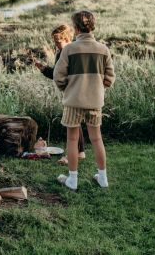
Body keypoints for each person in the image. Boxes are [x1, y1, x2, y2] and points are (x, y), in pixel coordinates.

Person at [54, 11, 115, 190]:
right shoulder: (103, 49)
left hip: (73, 102)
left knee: (72, 140)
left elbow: (58, 76)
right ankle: (102, 178)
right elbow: (110, 78)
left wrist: (68, 88)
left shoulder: (69, 49)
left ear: (76, 28)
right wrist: (97, 88)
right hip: (95, 102)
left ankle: (72, 180)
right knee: (97, 139)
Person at [34, 24, 86, 165]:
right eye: (54, 41)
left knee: (71, 122)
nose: (56, 44)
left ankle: (71, 156)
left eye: (58, 41)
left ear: (68, 38)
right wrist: (44, 69)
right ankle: (80, 152)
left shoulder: (75, 51)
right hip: (68, 91)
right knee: (74, 123)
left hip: (77, 91)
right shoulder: (59, 53)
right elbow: (57, 75)